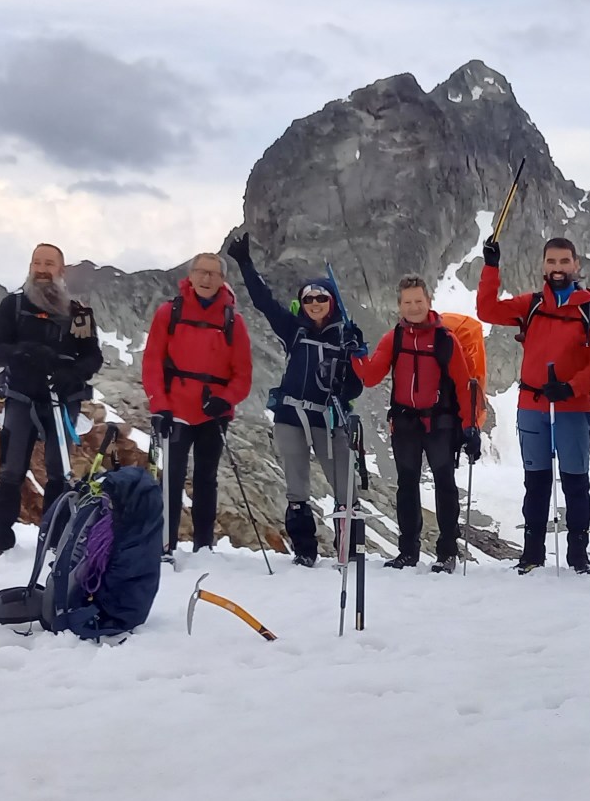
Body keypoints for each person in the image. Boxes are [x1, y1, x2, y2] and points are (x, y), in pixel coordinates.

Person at [226, 233, 366, 566]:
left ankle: (350, 550)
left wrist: (354, 358)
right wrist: (245, 263)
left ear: (331, 302)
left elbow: (356, 389)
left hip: (329, 419)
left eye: (321, 298)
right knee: (296, 487)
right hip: (290, 416)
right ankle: (305, 551)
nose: (315, 304)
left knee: (344, 486)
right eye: (309, 299)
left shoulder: (345, 337)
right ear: (302, 304)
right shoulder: (294, 330)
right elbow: (264, 302)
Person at [477, 236, 590, 574]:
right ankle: (532, 554)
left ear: (576, 266)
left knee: (576, 482)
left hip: (572, 407)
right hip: (532, 404)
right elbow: (487, 310)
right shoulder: (532, 305)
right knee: (535, 482)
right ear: (543, 266)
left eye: (564, 262)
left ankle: (578, 556)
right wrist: (491, 267)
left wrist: (570, 388)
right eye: (552, 262)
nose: (558, 268)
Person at [0, 243, 104, 558]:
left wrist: (73, 374)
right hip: (22, 395)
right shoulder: (13, 306)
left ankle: (55, 540)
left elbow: (93, 357)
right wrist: (21, 353)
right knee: (11, 469)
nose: (41, 268)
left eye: (49, 263)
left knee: (58, 470)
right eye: (37, 262)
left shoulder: (78, 313)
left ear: (61, 270)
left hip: (63, 399)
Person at [352, 274, 478, 573]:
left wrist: (470, 427)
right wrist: (357, 354)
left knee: (444, 485)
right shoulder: (393, 338)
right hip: (406, 423)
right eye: (408, 302)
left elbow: (463, 385)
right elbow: (370, 377)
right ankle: (408, 552)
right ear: (399, 305)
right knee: (407, 487)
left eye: (418, 301)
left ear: (429, 302)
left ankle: (447, 553)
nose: (413, 307)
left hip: (440, 424)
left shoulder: (445, 340)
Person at [141, 252, 253, 553]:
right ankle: (165, 543)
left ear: (222, 280)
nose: (206, 279)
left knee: (206, 479)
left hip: (213, 414)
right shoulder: (169, 312)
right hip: (175, 410)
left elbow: (243, 376)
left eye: (213, 274)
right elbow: (152, 362)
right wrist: (159, 405)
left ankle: (203, 547)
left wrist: (224, 400)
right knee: (172, 479)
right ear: (190, 276)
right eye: (201, 272)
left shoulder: (233, 321)